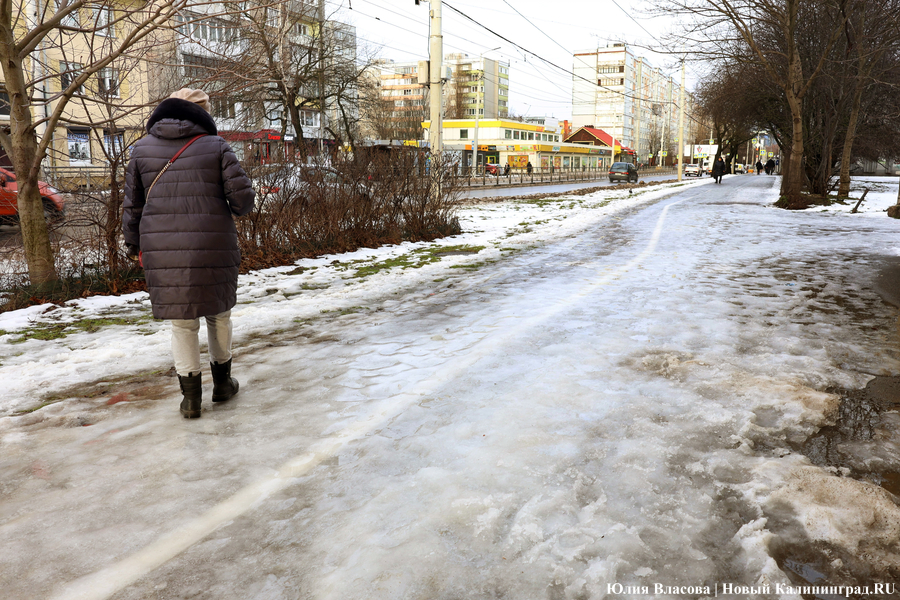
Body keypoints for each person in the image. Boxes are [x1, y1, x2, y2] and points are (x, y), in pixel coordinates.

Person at [123, 88, 256, 419]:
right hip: (213, 246)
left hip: (162, 249)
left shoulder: (141, 149)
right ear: (202, 113)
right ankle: (223, 385)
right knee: (218, 314)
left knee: (182, 324)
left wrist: (133, 243)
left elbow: (132, 206)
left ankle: (190, 399)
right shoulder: (217, 146)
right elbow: (243, 203)